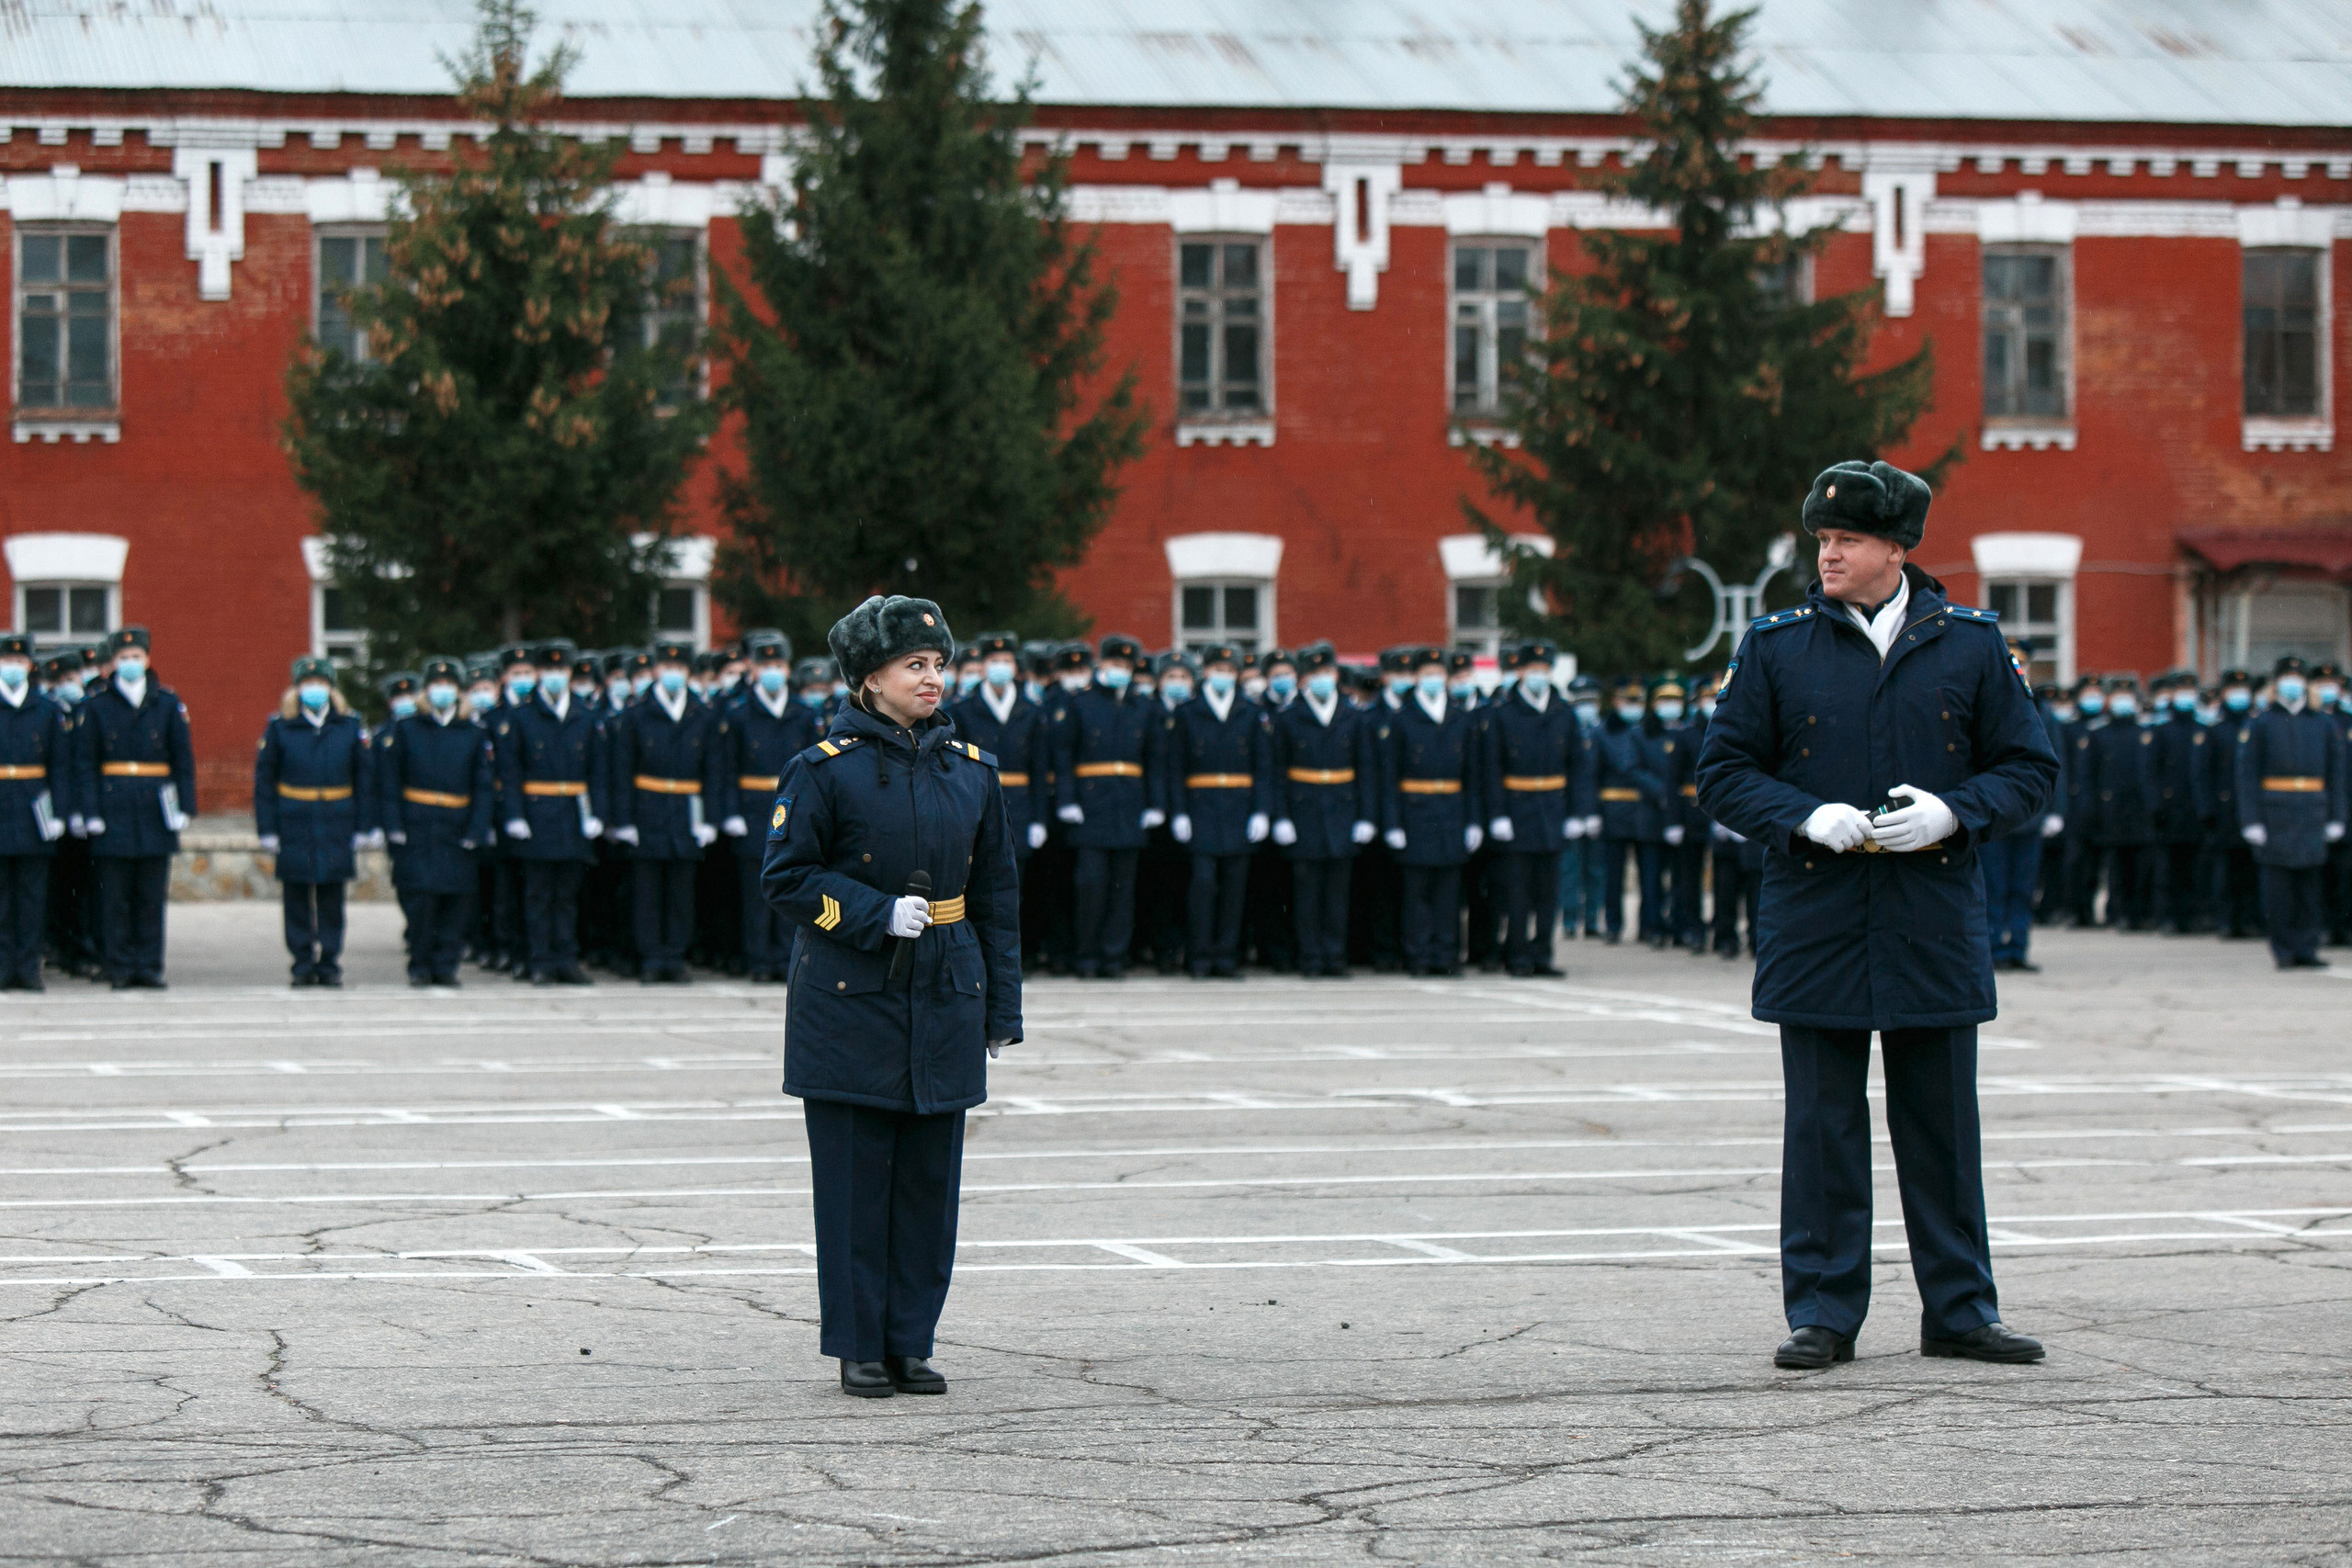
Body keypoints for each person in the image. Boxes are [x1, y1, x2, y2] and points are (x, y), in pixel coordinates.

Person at [1695, 457, 2057, 1371]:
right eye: (1821, 540)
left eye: (1846, 540)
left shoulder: (1972, 644)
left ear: (1896, 548)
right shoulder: (1776, 647)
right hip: (1815, 916)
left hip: (1928, 913)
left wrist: (1951, 812)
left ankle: (1960, 1309)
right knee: (1821, 1130)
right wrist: (1803, 815)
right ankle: (1822, 1311)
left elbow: (2029, 769)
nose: (1828, 555)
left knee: (1940, 1126)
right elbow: (1722, 772)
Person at [763, 594, 1021, 1398]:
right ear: (869, 680)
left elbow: (997, 895)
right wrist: (875, 912)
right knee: (854, 1182)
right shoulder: (822, 770)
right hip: (852, 994)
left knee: (926, 1187)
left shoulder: (971, 772)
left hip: (945, 987)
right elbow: (786, 876)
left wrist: (1001, 1009)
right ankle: (857, 1343)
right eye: (915, 665)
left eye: (939, 664)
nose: (933, 678)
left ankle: (911, 1339)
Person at [75, 626, 196, 990]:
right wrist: (90, 811)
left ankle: (149, 965)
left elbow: (182, 759)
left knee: (149, 896)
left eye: (137, 657)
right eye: (124, 658)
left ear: (148, 659)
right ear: (113, 662)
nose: (130, 663)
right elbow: (84, 762)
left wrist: (184, 806)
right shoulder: (97, 705)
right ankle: (120, 966)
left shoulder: (167, 702)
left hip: (155, 808)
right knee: (114, 897)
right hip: (113, 807)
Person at [610, 639, 726, 984]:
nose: (673, 674)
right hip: (648, 810)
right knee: (647, 891)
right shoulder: (636, 714)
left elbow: (713, 771)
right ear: (656, 670)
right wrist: (624, 819)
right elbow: (622, 770)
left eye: (680, 669)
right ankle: (651, 957)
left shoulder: (701, 715)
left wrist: (711, 819)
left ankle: (674, 956)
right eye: (667, 667)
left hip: (687, 811)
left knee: (680, 891)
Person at [375, 657, 495, 987]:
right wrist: (393, 825)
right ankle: (420, 963)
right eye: (436, 685)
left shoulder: (472, 732)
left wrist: (477, 828)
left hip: (457, 825)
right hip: (418, 824)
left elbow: (483, 786)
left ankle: (446, 965)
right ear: (426, 691)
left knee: (456, 900)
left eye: (450, 686)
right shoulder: (408, 728)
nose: (443, 691)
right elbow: (390, 782)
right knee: (421, 900)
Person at [254, 655, 371, 987]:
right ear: (297, 688)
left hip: (337, 819)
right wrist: (267, 828)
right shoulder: (280, 726)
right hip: (295, 820)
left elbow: (364, 779)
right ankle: (302, 962)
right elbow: (265, 781)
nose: (314, 690)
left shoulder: (349, 726)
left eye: (320, 684)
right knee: (297, 896)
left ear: (331, 688)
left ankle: (330, 961)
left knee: (332, 896)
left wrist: (364, 826)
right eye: (307, 684)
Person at [494, 639, 607, 985]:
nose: (556, 676)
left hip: (574, 813)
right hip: (537, 814)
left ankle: (566, 958)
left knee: (568, 895)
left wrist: (597, 814)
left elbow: (597, 771)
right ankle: (540, 958)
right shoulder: (522, 716)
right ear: (540, 673)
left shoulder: (586, 716)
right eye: (550, 670)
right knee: (539, 894)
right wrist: (515, 815)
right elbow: (510, 771)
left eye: (562, 670)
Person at [1051, 634, 1163, 979]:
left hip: (1129, 805)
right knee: (1090, 887)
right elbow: (1064, 754)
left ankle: (1114, 957)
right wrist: (1067, 800)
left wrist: (1154, 803)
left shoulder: (1143, 706)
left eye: (1127, 667)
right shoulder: (1080, 703)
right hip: (1091, 805)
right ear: (1102, 664)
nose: (1121, 671)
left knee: (1122, 890)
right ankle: (1086, 956)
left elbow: (1155, 758)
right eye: (1115, 665)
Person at [1269, 644, 1378, 976]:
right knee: (1306, 894)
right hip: (1304, 812)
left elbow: (1366, 770)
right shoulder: (1288, 718)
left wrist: (1366, 816)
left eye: (1327, 673)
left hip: (1342, 809)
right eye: (1315, 675)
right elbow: (1276, 772)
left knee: (1337, 893)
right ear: (1304, 680)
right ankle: (1310, 956)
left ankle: (1335, 955)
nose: (1322, 680)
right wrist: (1281, 817)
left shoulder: (1352, 717)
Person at [1481, 641, 1589, 977]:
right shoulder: (1504, 712)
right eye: (1532, 671)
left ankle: (1542, 952)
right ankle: (1517, 955)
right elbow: (1492, 767)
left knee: (1548, 893)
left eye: (1544, 671)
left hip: (1553, 810)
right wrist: (1497, 814)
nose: (1539, 676)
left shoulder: (1562, 712)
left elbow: (1578, 766)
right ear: (1520, 672)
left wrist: (1577, 812)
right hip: (1517, 810)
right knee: (1517, 892)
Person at [1166, 643, 1272, 978]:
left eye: (1229, 670)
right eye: (1216, 670)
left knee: (1235, 888)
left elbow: (1264, 766)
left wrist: (1262, 811)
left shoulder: (1251, 713)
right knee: (1202, 886)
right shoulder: (1187, 712)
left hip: (1239, 808)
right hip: (1201, 808)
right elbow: (1175, 767)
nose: (1223, 675)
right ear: (1206, 673)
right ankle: (1199, 956)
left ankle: (1226, 956)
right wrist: (1179, 812)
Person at [720, 631, 822, 983]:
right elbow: (727, 767)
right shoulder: (738, 713)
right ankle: (759, 960)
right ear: (753, 667)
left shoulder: (803, 713)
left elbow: (816, 769)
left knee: (791, 888)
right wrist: (731, 812)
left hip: (793, 809)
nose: (773, 671)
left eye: (778, 664)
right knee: (755, 893)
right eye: (766, 665)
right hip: (753, 808)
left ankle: (785, 957)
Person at [2235, 656, 2346, 970]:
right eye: (2287, 677)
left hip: (2312, 811)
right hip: (2275, 814)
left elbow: (2335, 774)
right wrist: (2252, 819)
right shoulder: (2261, 723)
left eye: (2298, 677)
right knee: (2278, 888)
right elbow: (2246, 775)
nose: (2293, 682)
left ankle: (2307, 947)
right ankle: (2283, 949)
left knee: (2309, 886)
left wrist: (2337, 816)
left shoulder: (2322, 723)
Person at [1384, 648, 1483, 976]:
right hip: (1415, 814)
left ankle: (1447, 954)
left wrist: (1474, 821)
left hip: (1452, 813)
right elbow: (1390, 775)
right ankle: (1419, 956)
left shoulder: (1460, 718)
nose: (1434, 680)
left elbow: (1472, 775)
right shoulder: (1402, 720)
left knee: (1449, 894)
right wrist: (1393, 823)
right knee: (1417, 894)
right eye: (1426, 674)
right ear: (1416, 678)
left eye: (1438, 674)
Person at [1982, 643, 2064, 971]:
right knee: (1994, 887)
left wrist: (2056, 811)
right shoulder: (1986, 706)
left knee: (2023, 887)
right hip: (1996, 815)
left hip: (2031, 817)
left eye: (2024, 664)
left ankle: (2017, 947)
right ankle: (1991, 949)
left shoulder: (2042, 712)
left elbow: (2057, 765)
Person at [0, 633, 71, 989]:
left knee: (31, 897)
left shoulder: (46, 710)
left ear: (29, 666)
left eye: (18, 662)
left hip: (33, 811)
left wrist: (58, 811)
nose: (12, 667)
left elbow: (60, 765)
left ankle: (28, 969)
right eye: (6, 661)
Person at [1595, 679, 1668, 944]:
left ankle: (1649, 925)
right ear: (1616, 701)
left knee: (1651, 875)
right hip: (1615, 809)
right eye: (1628, 701)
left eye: (1637, 702)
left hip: (1647, 810)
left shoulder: (1652, 729)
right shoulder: (1603, 731)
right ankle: (1613, 925)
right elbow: (1596, 773)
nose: (1633, 707)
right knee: (1613, 875)